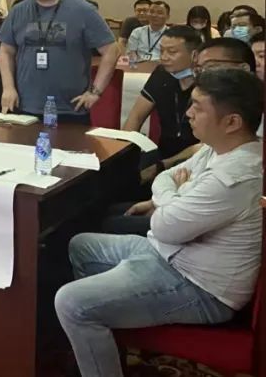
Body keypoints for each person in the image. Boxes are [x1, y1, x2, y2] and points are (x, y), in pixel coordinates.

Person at [54, 68, 263, 377]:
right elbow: (166, 178)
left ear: (232, 122)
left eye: (198, 107)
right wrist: (175, 195)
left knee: (72, 303)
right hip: (171, 254)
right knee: (81, 245)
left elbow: (163, 226)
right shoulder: (218, 148)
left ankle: (95, 335)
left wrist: (170, 197)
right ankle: (104, 336)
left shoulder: (236, 176)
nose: (188, 113)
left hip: (200, 286)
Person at [105, 34, 258, 234]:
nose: (189, 114)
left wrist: (174, 194)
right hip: (179, 176)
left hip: (186, 221)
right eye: (200, 68)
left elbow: (170, 225)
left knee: (107, 224)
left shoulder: (239, 109)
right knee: (114, 191)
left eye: (212, 67)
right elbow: (136, 117)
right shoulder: (168, 78)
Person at [0, 0, 118, 122]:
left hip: (70, 109)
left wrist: (95, 92)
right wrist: (8, 88)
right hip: (25, 106)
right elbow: (6, 51)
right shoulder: (18, 11)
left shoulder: (83, 10)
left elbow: (111, 50)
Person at [121, 26, 203, 179]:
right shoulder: (161, 74)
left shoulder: (208, 82)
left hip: (199, 158)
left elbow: (208, 147)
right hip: (163, 153)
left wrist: (162, 166)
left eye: (172, 52)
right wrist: (122, 152)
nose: (164, 57)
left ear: (194, 55)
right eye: (161, 51)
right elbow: (136, 117)